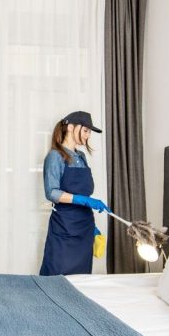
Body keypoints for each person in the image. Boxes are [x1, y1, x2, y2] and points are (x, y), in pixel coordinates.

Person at [39, 111, 108, 276]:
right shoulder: (55, 156)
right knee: (57, 276)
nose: (88, 136)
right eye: (86, 130)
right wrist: (84, 200)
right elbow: (52, 192)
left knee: (81, 279)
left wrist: (93, 228)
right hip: (64, 227)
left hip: (85, 227)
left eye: (89, 132)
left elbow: (84, 191)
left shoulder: (81, 157)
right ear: (70, 127)